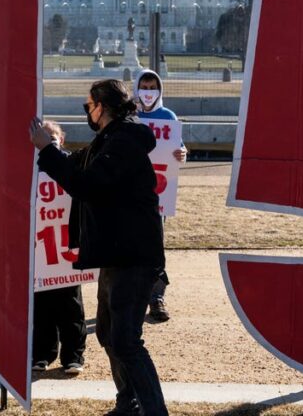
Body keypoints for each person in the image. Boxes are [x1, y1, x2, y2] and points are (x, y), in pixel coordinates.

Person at [30, 79, 168, 416]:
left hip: (133, 257)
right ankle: (128, 402)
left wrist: (47, 150)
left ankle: (152, 410)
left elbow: (86, 184)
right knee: (109, 334)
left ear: (101, 106)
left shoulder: (125, 139)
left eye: (87, 105)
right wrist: (47, 150)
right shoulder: (111, 138)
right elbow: (77, 164)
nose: (86, 112)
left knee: (125, 340)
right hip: (117, 254)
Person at [31, 120, 88, 375]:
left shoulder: (74, 165)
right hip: (40, 248)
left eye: (52, 136)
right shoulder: (28, 169)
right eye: (44, 136)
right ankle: (42, 354)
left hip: (67, 247)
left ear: (61, 140)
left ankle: (73, 356)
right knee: (41, 305)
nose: (49, 139)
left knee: (71, 305)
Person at [133, 69, 187, 323]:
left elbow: (177, 147)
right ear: (136, 88)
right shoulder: (129, 116)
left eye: (152, 86)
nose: (148, 91)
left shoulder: (168, 116)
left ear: (159, 89)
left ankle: (156, 297)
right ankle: (132, 297)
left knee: (155, 246)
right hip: (129, 194)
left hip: (157, 195)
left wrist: (181, 154)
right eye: (144, 86)